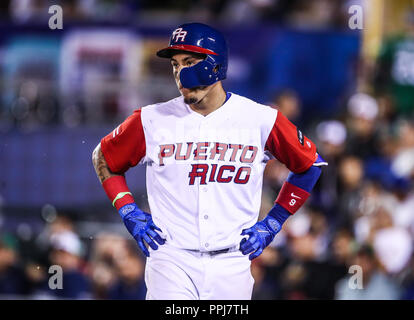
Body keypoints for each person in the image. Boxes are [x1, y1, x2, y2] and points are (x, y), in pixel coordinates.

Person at [92, 22, 327, 300]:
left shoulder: (260, 119)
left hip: (232, 262)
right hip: (171, 259)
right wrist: (127, 210)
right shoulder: (150, 119)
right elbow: (103, 158)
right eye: (176, 65)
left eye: (190, 62)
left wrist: (274, 221)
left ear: (216, 65)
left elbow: (309, 165)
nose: (181, 73)